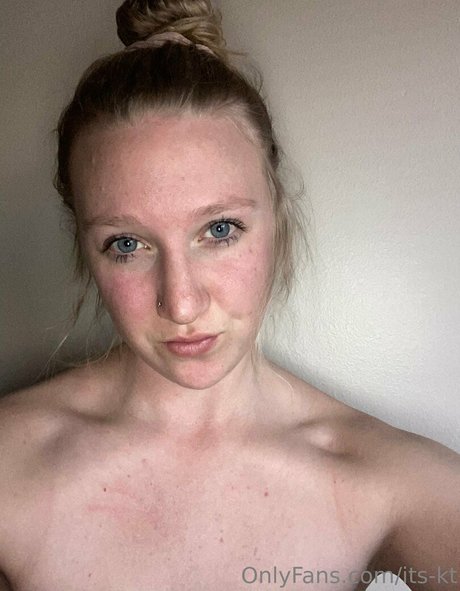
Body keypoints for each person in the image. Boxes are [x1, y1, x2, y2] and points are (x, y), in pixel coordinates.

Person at [0, 1, 458, 590]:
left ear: (276, 217)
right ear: (86, 249)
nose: (182, 304)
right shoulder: (10, 469)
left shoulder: (389, 481)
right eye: (127, 244)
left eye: (219, 229)